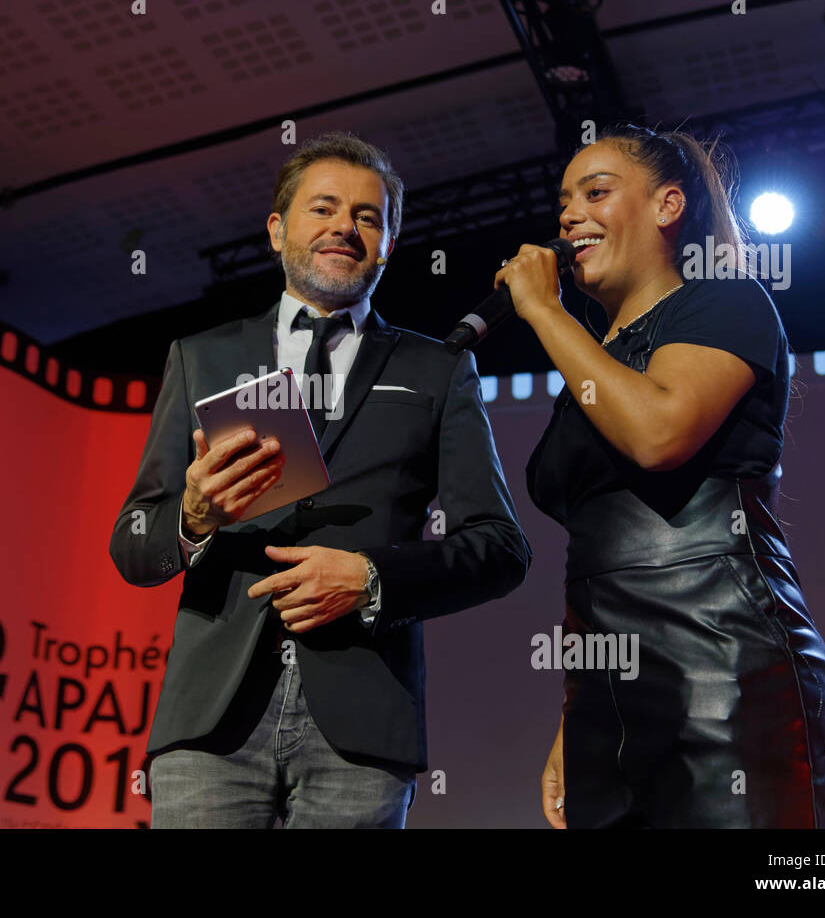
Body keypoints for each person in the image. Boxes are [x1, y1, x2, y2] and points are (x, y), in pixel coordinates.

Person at [109, 131, 531, 828]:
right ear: (277, 230)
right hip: (212, 722)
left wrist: (370, 579)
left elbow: (501, 548)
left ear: (390, 242)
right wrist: (192, 514)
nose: (344, 226)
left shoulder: (435, 370)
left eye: (368, 216)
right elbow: (133, 547)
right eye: (323, 209)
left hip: (363, 726)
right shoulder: (200, 357)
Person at [495, 122, 825, 828]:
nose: (569, 215)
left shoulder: (725, 301)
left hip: (726, 677)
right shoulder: (591, 372)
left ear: (668, 207)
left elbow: (659, 434)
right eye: (563, 201)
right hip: (613, 704)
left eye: (596, 192)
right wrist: (577, 714)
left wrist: (542, 310)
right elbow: (594, 566)